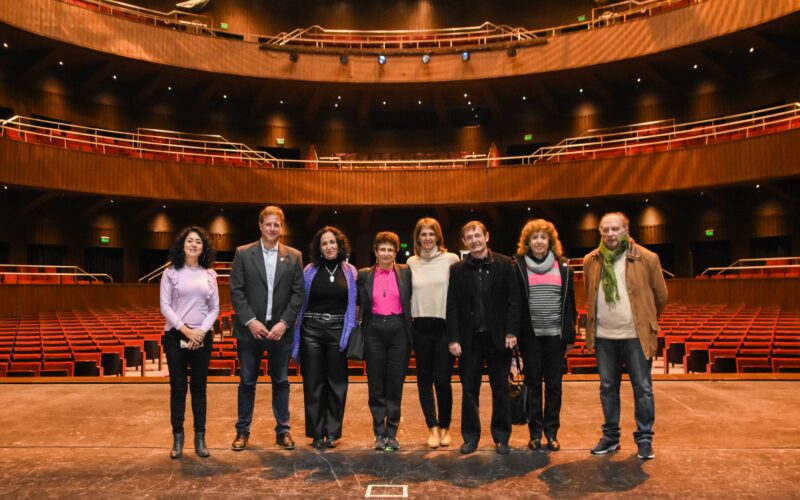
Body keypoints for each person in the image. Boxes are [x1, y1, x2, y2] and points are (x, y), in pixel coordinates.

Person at [583, 212, 667, 460]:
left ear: (625, 230)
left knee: (642, 388)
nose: (610, 234)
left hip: (635, 337)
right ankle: (611, 437)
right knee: (607, 388)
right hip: (604, 337)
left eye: (615, 229)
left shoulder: (647, 258)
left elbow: (660, 296)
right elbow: (590, 290)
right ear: (600, 232)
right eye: (605, 230)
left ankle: (644, 438)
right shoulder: (591, 260)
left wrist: (643, 320)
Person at [229, 205, 305, 451]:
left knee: (281, 381)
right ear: (260, 226)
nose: (272, 228)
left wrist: (284, 323)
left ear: (281, 228)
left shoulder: (294, 256)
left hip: (280, 331)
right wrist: (250, 321)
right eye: (268, 224)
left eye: (277, 225)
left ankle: (283, 431)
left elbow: (298, 294)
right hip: (250, 331)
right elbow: (236, 291)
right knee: (247, 382)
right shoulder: (243, 253)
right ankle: (242, 431)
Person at [447, 221, 520, 455]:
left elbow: (514, 302)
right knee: (469, 390)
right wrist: (453, 338)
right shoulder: (457, 269)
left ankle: (501, 437)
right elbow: (453, 307)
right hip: (469, 340)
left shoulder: (506, 264)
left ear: (486, 236)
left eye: (478, 235)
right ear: (464, 242)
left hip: (498, 338)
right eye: (469, 237)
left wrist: (511, 331)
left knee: (500, 389)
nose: (474, 240)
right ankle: (470, 437)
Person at [512, 219, 577, 452]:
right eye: (534, 237)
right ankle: (535, 433)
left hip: (555, 337)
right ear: (527, 242)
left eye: (543, 237)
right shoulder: (518, 265)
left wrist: (570, 336)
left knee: (554, 385)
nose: (539, 241)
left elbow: (570, 303)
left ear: (550, 241)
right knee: (532, 384)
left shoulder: (563, 266)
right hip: (530, 336)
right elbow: (514, 303)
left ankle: (552, 433)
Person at [292, 226, 358, 449]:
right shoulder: (309, 270)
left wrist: (348, 332)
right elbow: (299, 302)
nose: (329, 247)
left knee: (337, 383)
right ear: (319, 248)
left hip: (338, 330)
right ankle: (316, 433)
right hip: (311, 330)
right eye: (324, 243)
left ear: (339, 245)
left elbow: (353, 306)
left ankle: (332, 432)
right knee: (313, 383)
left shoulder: (350, 272)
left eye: (333, 242)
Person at [159, 226, 219, 459]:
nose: (194, 244)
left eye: (198, 242)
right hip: (176, 336)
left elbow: (214, 308)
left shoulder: (209, 275)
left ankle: (200, 438)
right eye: (189, 241)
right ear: (182, 246)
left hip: (202, 336)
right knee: (178, 388)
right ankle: (178, 438)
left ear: (203, 247)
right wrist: (185, 330)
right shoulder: (170, 273)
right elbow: (165, 306)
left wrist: (200, 332)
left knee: (199, 389)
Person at [357, 231, 413, 452]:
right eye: (382, 249)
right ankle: (379, 433)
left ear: (396, 252)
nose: (386, 253)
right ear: (376, 252)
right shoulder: (364, 275)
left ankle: (392, 432)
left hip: (399, 329)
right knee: (376, 384)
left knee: (395, 384)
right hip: (374, 331)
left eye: (390, 249)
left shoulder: (407, 272)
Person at [407, 217, 459, 449]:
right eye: (423, 234)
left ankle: (446, 426)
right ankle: (432, 427)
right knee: (424, 380)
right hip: (420, 327)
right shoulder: (411, 262)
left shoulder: (451, 259)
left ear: (438, 236)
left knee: (442, 380)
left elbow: (458, 297)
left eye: (431, 234)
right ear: (417, 238)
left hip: (444, 326)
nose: (427, 238)